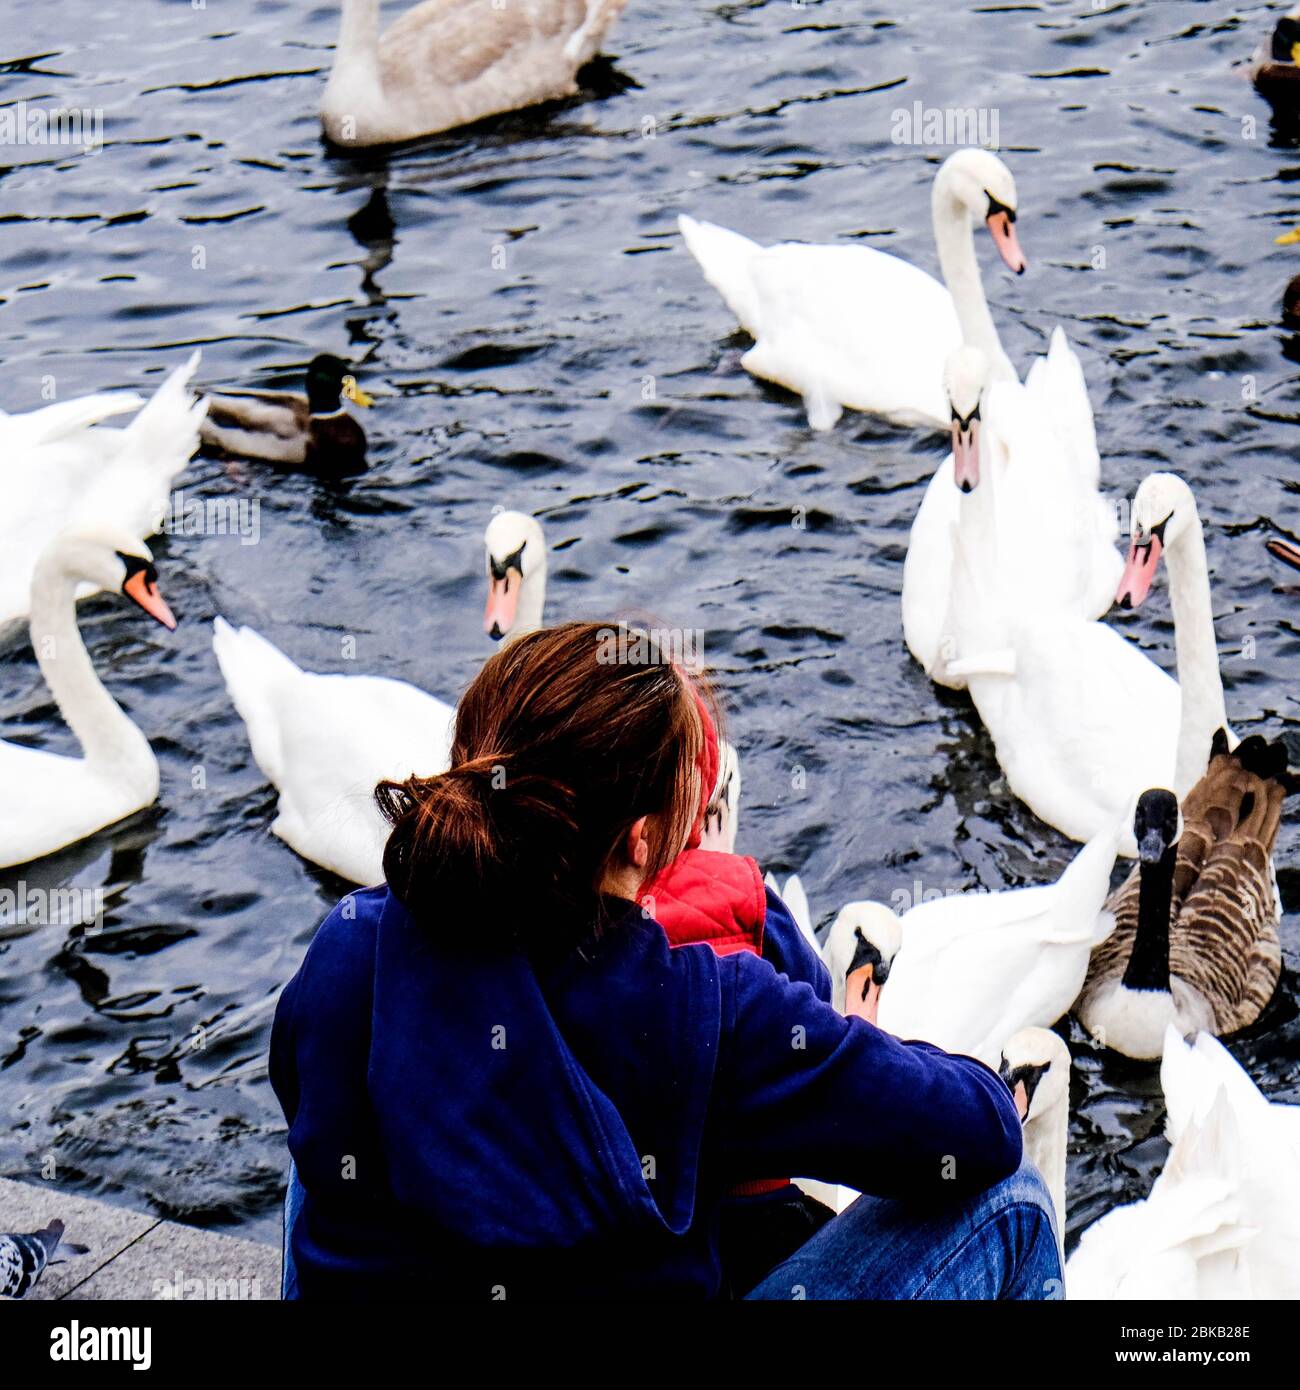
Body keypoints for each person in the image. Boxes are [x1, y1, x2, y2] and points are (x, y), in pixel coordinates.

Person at [270, 621, 1061, 1299]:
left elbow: (319, 1085)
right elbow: (979, 1133)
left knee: (333, 1127)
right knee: (1014, 1200)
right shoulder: (708, 1011)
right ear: (645, 839)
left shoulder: (350, 937)